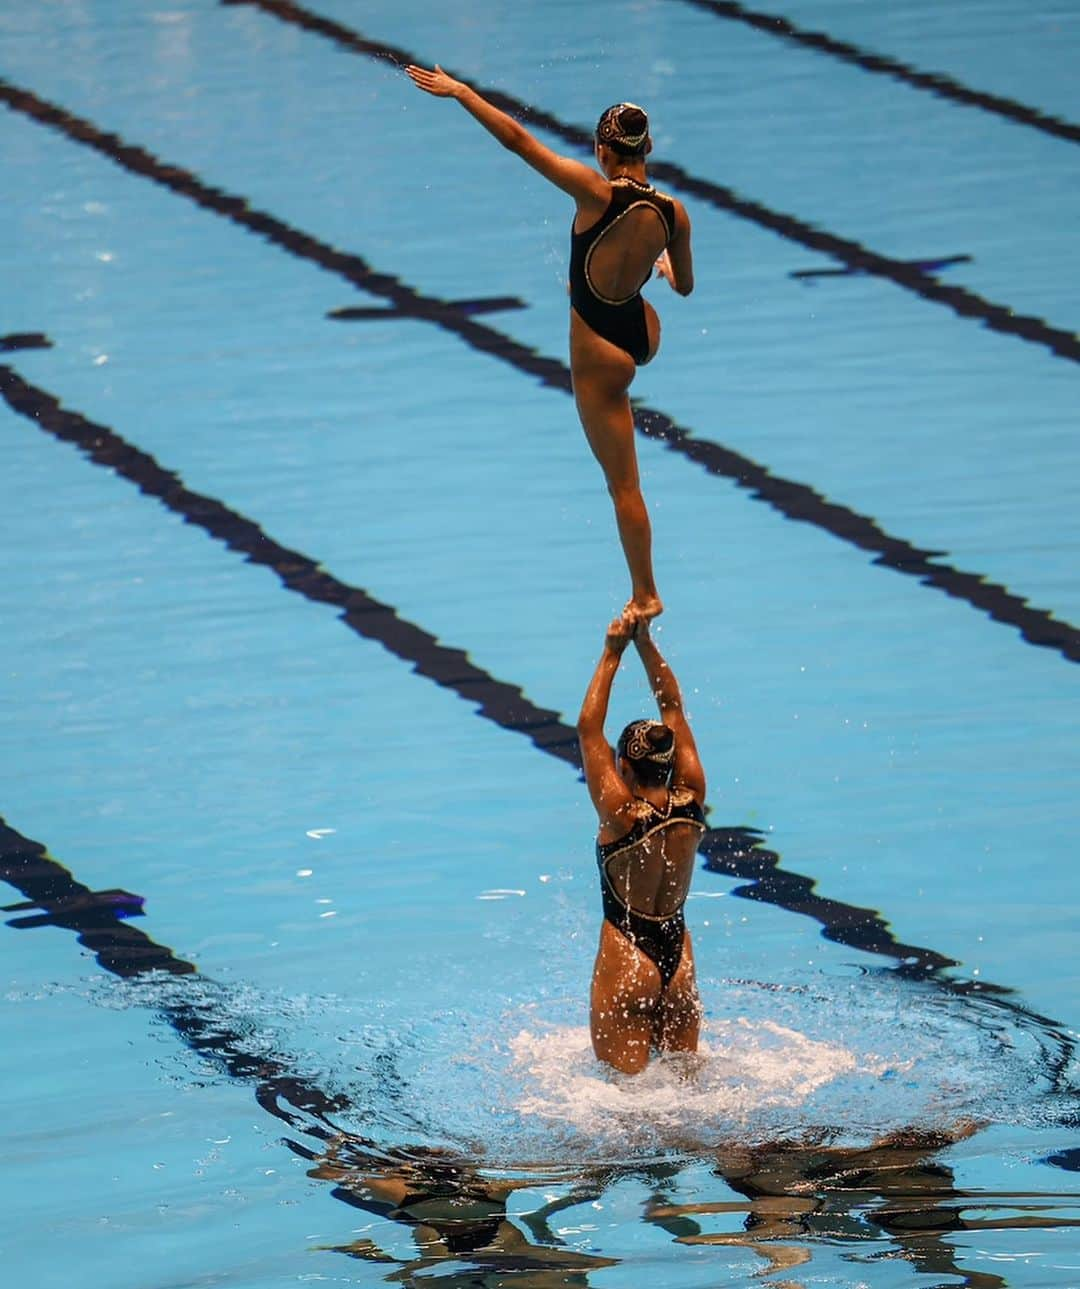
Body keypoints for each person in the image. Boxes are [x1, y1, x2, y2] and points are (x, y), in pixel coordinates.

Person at [405, 66, 694, 621]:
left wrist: (463, 91)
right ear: (648, 148)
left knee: (623, 487)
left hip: (599, 356)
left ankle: (646, 593)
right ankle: (644, 587)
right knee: (598, 290)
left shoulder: (593, 193)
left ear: (604, 153)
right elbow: (684, 287)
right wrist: (657, 265)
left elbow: (519, 141)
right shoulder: (673, 214)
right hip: (640, 334)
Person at [577, 615, 707, 1073]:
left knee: (626, 1106)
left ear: (626, 770)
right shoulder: (692, 796)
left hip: (628, 959)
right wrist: (646, 644)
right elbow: (672, 707)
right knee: (686, 1094)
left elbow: (588, 729)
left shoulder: (620, 815)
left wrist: (613, 649)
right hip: (680, 960)